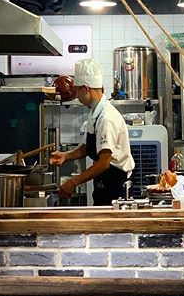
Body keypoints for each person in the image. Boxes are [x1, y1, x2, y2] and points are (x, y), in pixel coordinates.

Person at [49, 58, 135, 206]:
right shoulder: (95, 112)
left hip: (115, 188)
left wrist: (73, 182)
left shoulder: (107, 117)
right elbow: (87, 147)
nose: (76, 95)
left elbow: (104, 163)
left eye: (77, 90)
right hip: (104, 183)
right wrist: (66, 156)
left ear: (86, 89)